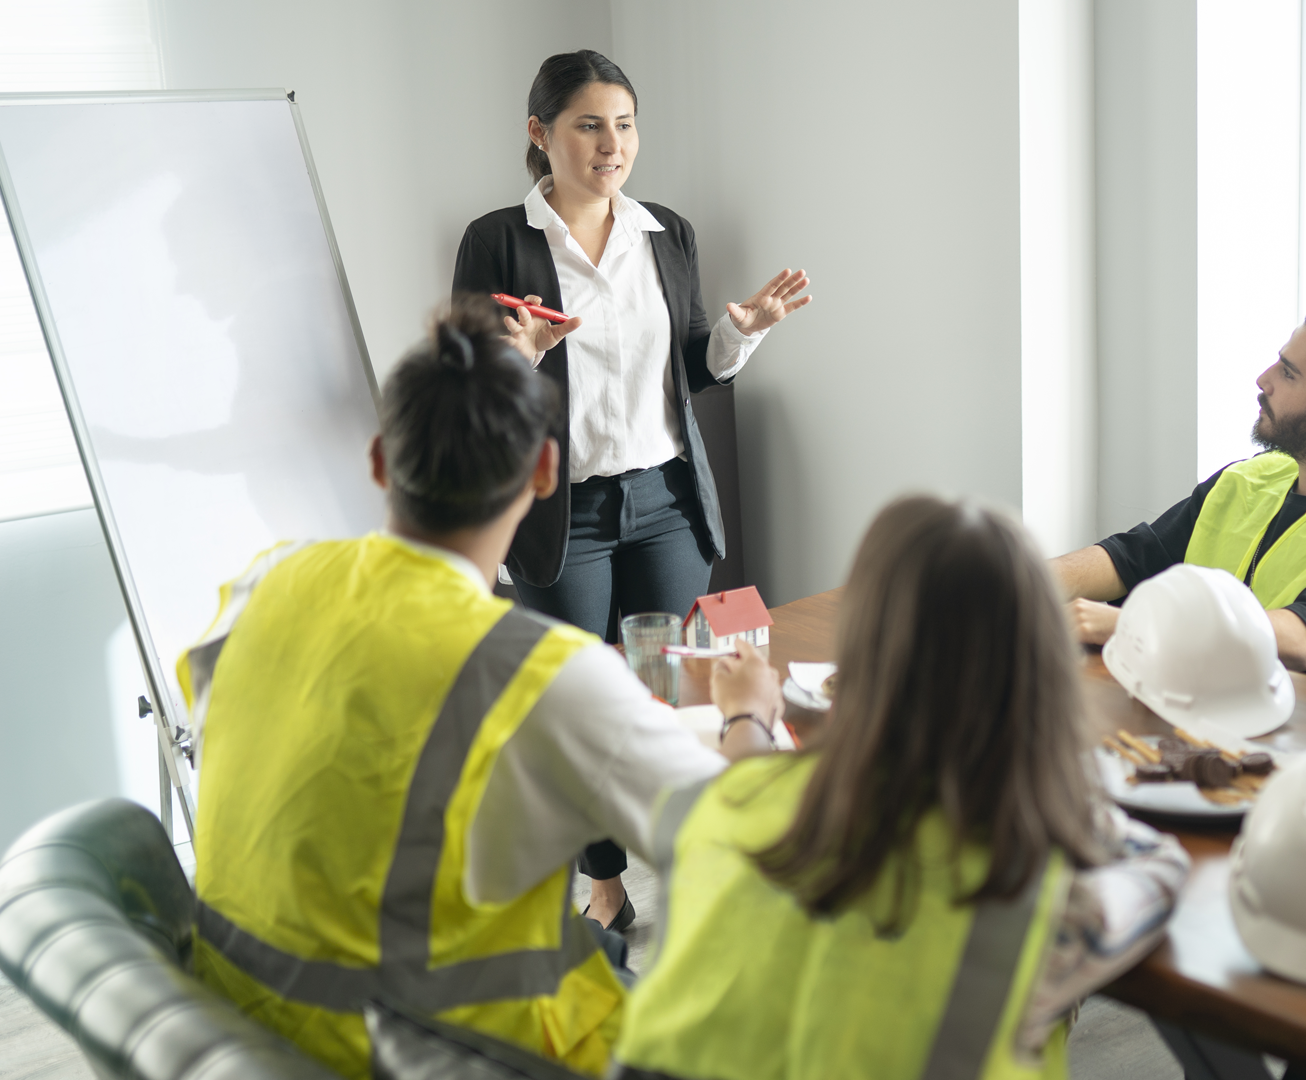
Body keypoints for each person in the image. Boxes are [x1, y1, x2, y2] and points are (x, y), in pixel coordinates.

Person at [177, 302, 785, 1078]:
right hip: (443, 1053)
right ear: (544, 471)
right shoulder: (543, 674)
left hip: (243, 1031)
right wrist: (748, 714)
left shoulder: (268, 581)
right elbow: (746, 839)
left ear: (378, 461)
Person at [610, 496, 1191, 1080]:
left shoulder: (719, 806)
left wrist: (749, 721)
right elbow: (1162, 870)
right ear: (1040, 675)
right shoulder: (1038, 894)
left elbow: (749, 785)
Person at [451, 48, 812, 932]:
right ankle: (603, 880)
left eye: (624, 124)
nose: (611, 144)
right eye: (588, 125)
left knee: (681, 696)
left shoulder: (667, 234)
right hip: (560, 515)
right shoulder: (497, 240)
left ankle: (703, 872)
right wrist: (519, 357)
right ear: (540, 135)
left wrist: (743, 333)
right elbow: (466, 383)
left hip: (664, 502)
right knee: (580, 710)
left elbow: (693, 368)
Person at [1053, 300, 1306, 672]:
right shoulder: (1250, 478)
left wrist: (1137, 624)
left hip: (1295, 733)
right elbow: (1134, 558)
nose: (1263, 380)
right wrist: (1026, 580)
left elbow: (1303, 638)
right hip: (1195, 698)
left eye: (1288, 373)